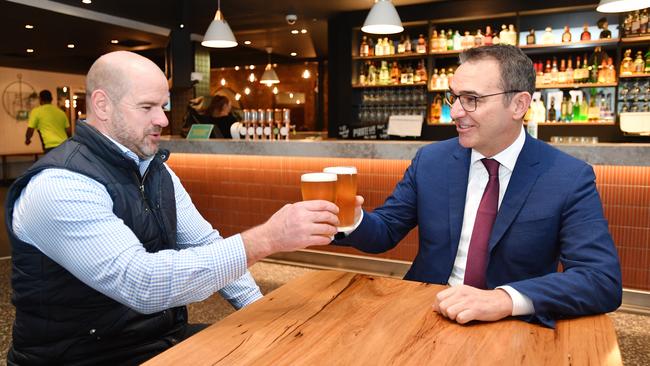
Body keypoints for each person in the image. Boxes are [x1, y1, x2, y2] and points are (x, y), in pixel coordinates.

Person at [5, 51, 339, 365]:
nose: (163, 119)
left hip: (161, 340)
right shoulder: (59, 185)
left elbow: (204, 242)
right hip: (86, 357)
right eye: (147, 107)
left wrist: (258, 309)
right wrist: (268, 238)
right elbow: (141, 284)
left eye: (163, 106)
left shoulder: (154, 169)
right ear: (102, 105)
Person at [336, 45, 621, 328]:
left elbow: (600, 279)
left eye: (472, 99)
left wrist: (504, 300)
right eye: (455, 97)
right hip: (426, 310)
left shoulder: (568, 177)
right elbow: (385, 231)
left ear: (519, 105)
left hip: (511, 326)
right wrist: (350, 217)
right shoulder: (431, 161)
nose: (456, 112)